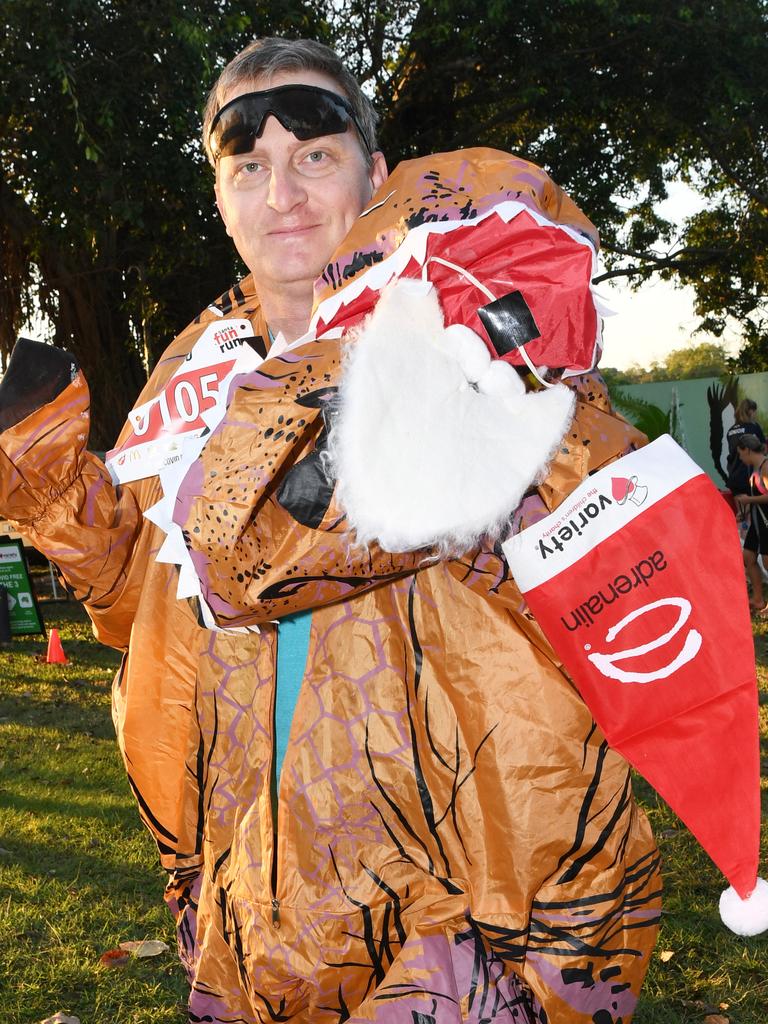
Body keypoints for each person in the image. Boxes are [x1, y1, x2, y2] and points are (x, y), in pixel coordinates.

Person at [0, 37, 663, 1023]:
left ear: (379, 176)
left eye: (315, 152)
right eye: (248, 165)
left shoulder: (480, 338)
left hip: (461, 927)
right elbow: (147, 601)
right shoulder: (198, 381)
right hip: (251, 908)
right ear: (220, 199)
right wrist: (48, 482)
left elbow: (584, 531)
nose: (284, 192)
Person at [734, 433, 768, 612]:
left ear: (747, 450)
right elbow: (755, 495)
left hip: (766, 520)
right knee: (748, 557)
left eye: (740, 454)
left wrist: (748, 501)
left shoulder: (765, 467)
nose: (740, 458)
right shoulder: (754, 469)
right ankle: (758, 599)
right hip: (758, 520)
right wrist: (743, 511)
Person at [726, 398, 765, 495]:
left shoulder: (730, 431)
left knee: (743, 509)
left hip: (734, 477)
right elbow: (763, 449)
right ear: (751, 412)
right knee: (756, 507)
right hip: (750, 476)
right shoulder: (753, 427)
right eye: (755, 412)